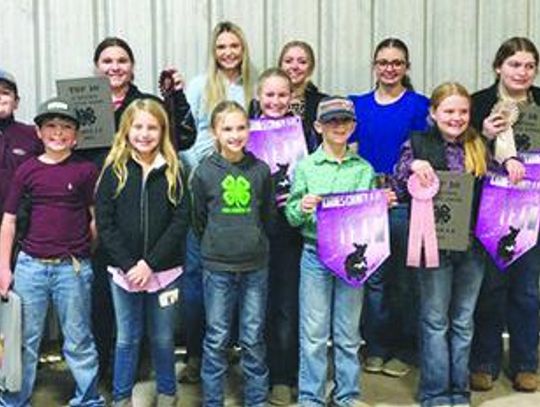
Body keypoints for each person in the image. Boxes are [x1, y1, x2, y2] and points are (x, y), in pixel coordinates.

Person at [89, 36, 195, 382]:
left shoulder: (147, 104)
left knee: (154, 318)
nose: (115, 67)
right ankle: (108, 370)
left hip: (149, 221)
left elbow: (185, 137)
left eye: (122, 60)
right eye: (107, 61)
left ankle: (142, 371)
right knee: (105, 298)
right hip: (101, 209)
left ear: (132, 66)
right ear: (97, 67)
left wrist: (176, 97)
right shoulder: (85, 104)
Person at [0, 97, 104, 407]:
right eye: (51, 126)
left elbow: (95, 217)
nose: (58, 133)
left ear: (77, 136)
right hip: (30, 267)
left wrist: (83, 253)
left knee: (79, 339)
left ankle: (87, 398)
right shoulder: (27, 170)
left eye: (66, 127)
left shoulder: (85, 171)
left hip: (72, 268)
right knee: (24, 339)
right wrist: (4, 268)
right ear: (39, 132)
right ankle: (14, 398)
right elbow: (9, 221)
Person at [393, 82, 488, 407]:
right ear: (433, 113)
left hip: (473, 248)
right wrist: (412, 168)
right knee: (435, 320)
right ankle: (434, 392)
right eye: (449, 111)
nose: (457, 117)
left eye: (463, 111)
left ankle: (459, 391)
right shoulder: (417, 144)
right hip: (431, 248)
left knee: (463, 321)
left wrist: (514, 166)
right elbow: (398, 186)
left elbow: (496, 190)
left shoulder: (480, 145)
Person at [286, 96, 382, 407]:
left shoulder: (363, 169)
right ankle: (311, 397)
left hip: (353, 259)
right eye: (332, 122)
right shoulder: (306, 166)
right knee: (313, 332)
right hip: (314, 253)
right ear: (318, 126)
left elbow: (368, 216)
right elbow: (291, 214)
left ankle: (347, 395)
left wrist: (379, 205)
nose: (339, 127)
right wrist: (301, 206)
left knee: (348, 331)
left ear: (353, 126)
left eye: (345, 121)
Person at [95, 98, 189, 406]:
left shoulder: (175, 169)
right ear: (126, 130)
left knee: (163, 339)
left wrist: (150, 264)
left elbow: (180, 222)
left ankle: (167, 393)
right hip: (123, 275)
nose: (145, 134)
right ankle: (122, 397)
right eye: (138, 126)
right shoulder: (114, 170)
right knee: (127, 339)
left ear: (162, 131)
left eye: (152, 127)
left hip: (165, 274)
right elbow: (105, 223)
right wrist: (129, 264)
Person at [348, 38, 429, 377]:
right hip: (366, 204)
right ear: (374, 65)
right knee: (374, 281)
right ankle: (376, 346)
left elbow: (428, 156)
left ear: (406, 67)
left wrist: (400, 192)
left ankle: (404, 350)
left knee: (406, 281)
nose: (390, 68)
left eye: (397, 62)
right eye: (383, 62)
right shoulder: (357, 105)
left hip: (405, 204)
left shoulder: (420, 106)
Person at [180, 21, 254, 384]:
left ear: (243, 49)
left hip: (243, 196)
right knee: (196, 277)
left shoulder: (253, 88)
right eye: (221, 46)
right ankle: (196, 354)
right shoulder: (198, 86)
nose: (228, 52)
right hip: (206, 190)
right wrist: (205, 173)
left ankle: (233, 350)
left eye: (234, 46)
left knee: (243, 281)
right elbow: (186, 138)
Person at [469, 36, 540, 392]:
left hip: (533, 208)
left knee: (528, 290)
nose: (522, 72)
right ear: (499, 66)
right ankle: (485, 360)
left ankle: (526, 362)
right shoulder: (478, 103)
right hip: (491, 208)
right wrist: (482, 135)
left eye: (529, 66)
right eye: (515, 64)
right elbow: (460, 153)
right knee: (491, 289)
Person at [191, 100, 273, 407]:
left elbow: (267, 217)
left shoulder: (261, 170)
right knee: (216, 337)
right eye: (227, 128)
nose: (235, 134)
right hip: (217, 266)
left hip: (255, 265)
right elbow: (198, 219)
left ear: (249, 130)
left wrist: (254, 239)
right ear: (214, 131)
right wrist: (217, 243)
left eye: (241, 127)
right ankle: (212, 400)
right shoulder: (204, 172)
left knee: (252, 337)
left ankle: (256, 399)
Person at [248, 68, 302, 405]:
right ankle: (259, 375)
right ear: (258, 96)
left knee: (286, 303)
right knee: (257, 305)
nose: (276, 101)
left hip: (290, 226)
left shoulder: (303, 131)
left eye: (282, 95)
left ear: (292, 98)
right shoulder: (245, 130)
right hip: (253, 227)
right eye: (269, 95)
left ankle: (284, 375)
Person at [277, 40, 326, 152]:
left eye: (302, 62)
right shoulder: (266, 103)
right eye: (288, 61)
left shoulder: (323, 103)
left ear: (311, 68)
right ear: (280, 66)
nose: (294, 66)